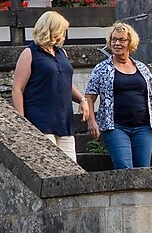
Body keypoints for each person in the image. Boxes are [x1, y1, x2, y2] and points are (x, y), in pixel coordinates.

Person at [84, 21, 152, 169]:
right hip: (115, 127)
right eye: (114, 40)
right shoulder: (101, 68)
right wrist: (91, 121)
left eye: (121, 40)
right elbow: (89, 96)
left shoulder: (141, 67)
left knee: (143, 171)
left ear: (130, 43)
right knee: (124, 168)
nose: (117, 43)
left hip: (144, 127)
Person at [11, 10, 93, 162]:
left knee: (72, 170)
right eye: (61, 31)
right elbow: (17, 89)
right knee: (50, 167)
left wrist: (82, 99)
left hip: (64, 122)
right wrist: (21, 122)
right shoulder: (30, 53)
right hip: (40, 121)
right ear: (50, 30)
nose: (63, 35)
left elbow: (65, 82)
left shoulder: (61, 52)